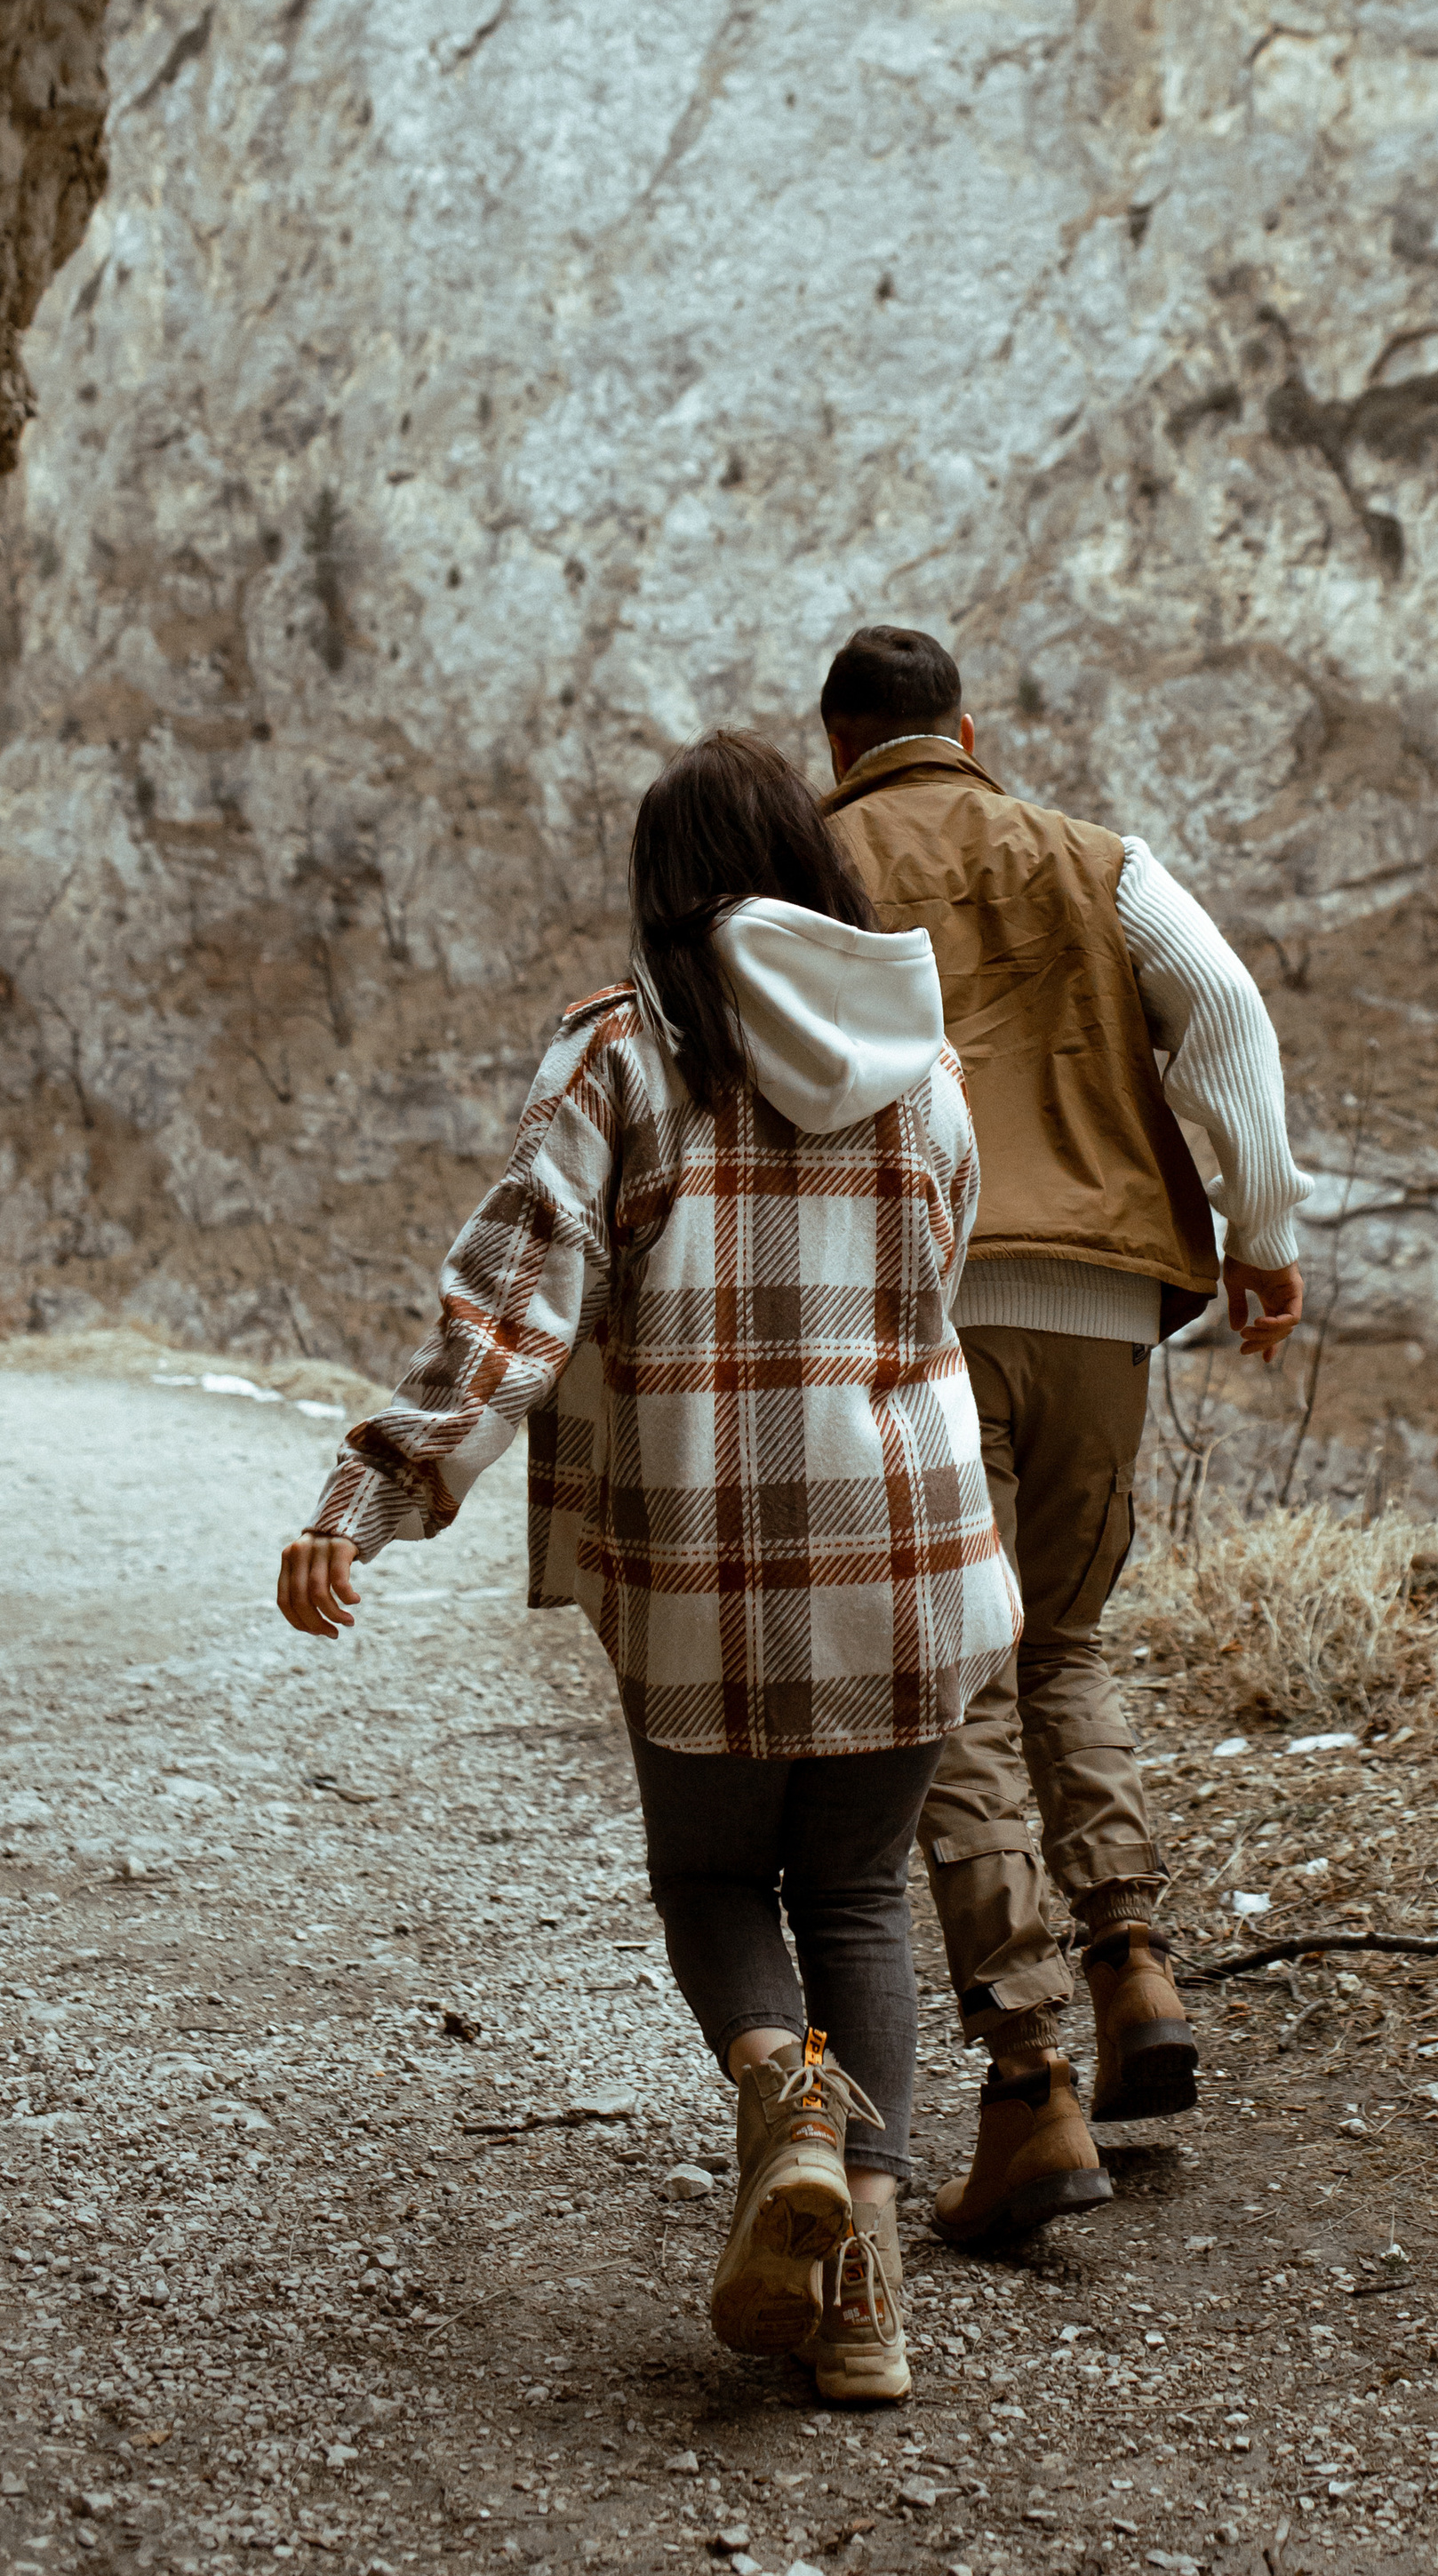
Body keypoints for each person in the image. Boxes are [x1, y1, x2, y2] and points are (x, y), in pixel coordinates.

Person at [274, 730, 1019, 2404]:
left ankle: (787, 2104)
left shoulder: (629, 1055)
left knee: (713, 1886)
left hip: (709, 1571)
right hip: (911, 1558)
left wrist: (366, 1499)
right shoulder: (930, 1069)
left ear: (665, 889)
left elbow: (512, 1309)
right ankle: (866, 2300)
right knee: (854, 1899)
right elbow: (935, 1299)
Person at [818, 624, 1310, 2249]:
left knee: (950, 1670)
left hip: (914, 1307)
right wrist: (1262, 1232)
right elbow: (1223, 1005)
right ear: (971, 730)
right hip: (1103, 1303)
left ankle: (1026, 2073)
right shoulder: (1093, 858)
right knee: (1068, 1642)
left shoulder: (808, 862)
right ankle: (1133, 1965)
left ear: (839, 749)